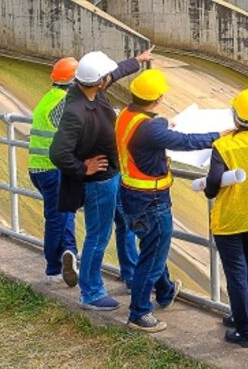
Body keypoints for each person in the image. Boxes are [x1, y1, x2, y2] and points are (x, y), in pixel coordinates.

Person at [116, 69, 220, 332]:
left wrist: (162, 122)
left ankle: (165, 291)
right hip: (152, 200)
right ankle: (139, 313)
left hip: (131, 194)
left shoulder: (127, 117)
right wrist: (219, 136)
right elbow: (186, 142)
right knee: (152, 256)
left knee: (151, 246)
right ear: (159, 98)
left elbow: (157, 126)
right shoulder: (149, 129)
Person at [49, 46, 153, 311]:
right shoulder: (76, 111)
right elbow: (58, 153)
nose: (110, 77)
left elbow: (114, 72)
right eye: (105, 76)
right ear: (97, 81)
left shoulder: (91, 91)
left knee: (125, 224)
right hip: (99, 183)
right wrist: (84, 168)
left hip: (112, 176)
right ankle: (91, 292)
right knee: (98, 235)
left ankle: (130, 274)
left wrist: (136, 61)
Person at [194, 88, 248, 347]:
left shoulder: (223, 146)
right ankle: (243, 315)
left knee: (236, 273)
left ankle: (244, 330)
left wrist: (207, 189)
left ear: (235, 116)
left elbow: (214, 182)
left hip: (230, 220)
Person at [28, 57, 80, 286]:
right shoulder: (64, 103)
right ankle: (52, 268)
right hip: (52, 170)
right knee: (56, 218)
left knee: (65, 211)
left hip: (38, 167)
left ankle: (69, 252)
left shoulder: (48, 97)